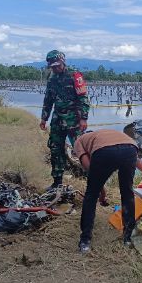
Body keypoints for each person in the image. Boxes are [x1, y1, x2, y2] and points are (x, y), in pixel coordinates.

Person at [74, 129, 142, 254]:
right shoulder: (105, 134)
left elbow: (90, 169)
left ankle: (85, 242)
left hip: (104, 153)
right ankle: (127, 239)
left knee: (91, 196)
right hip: (130, 148)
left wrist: (101, 192)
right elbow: (136, 160)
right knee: (127, 194)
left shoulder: (79, 140)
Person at [39, 50, 90, 190]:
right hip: (57, 119)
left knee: (80, 150)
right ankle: (57, 182)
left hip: (74, 119)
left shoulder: (74, 75)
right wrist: (44, 118)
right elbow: (48, 99)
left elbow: (83, 98)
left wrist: (83, 119)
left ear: (63, 62)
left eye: (57, 65)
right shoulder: (51, 78)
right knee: (55, 148)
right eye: (53, 66)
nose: (56, 68)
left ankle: (92, 180)